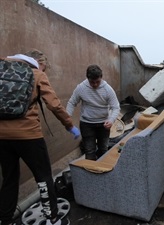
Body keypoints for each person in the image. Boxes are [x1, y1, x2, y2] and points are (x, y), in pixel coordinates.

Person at [0, 49, 80, 225]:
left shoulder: (2, 68)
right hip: (29, 135)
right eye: (44, 68)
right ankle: (51, 216)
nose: (44, 71)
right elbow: (54, 105)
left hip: (2, 137)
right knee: (43, 176)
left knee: (9, 178)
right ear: (39, 63)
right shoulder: (37, 74)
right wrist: (69, 125)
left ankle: (5, 221)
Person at [66, 64, 120, 160]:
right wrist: (67, 117)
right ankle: (90, 173)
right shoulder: (81, 88)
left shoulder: (108, 90)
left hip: (103, 124)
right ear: (88, 79)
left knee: (103, 149)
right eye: (92, 82)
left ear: (101, 78)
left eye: (97, 82)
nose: (95, 84)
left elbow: (116, 107)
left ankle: (102, 171)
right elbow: (71, 102)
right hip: (87, 124)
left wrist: (111, 120)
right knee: (89, 151)